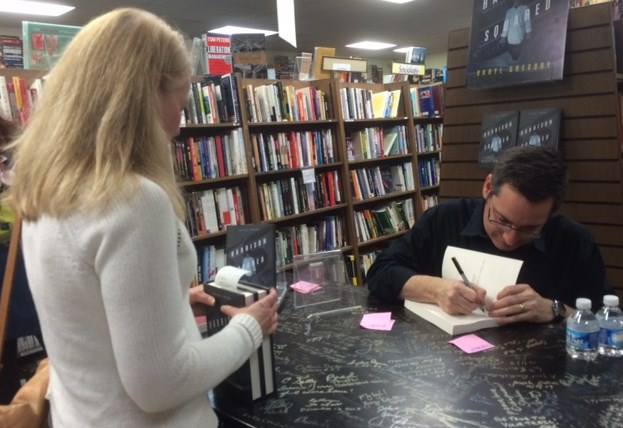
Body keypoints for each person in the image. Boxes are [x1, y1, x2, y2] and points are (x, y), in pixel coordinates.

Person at [6, 8, 278, 428]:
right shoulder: (132, 200)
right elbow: (161, 384)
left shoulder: (43, 190)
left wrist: (170, 300)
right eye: (180, 103)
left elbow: (86, 318)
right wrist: (250, 328)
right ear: (147, 96)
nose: (179, 125)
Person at [366, 146, 611, 324]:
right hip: (444, 368)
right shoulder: (444, 219)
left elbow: (606, 320)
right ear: (487, 187)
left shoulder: (573, 241)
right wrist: (436, 290)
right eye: (502, 220)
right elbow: (380, 273)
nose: (510, 239)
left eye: (530, 229)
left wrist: (554, 309)